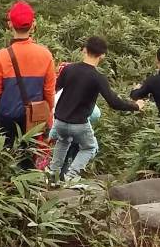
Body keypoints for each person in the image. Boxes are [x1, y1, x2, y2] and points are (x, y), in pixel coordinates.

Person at [49, 37, 144, 181]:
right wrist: (136, 106)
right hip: (79, 123)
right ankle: (70, 178)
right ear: (103, 55)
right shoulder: (98, 77)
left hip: (60, 120)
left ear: (84, 50)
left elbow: (54, 89)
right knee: (89, 148)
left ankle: (52, 176)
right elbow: (114, 102)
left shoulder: (68, 69)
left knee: (63, 141)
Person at [0, 1, 56, 168]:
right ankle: (27, 190)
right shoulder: (45, 54)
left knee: (7, 155)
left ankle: (7, 186)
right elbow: (49, 91)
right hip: (33, 117)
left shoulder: (1, 56)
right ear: (33, 25)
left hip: (7, 116)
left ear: (9, 25)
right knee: (28, 157)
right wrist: (47, 111)